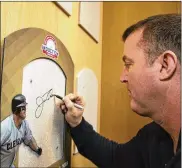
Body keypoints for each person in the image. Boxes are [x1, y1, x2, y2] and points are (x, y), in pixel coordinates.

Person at [59, 13, 181, 168]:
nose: (122, 77)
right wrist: (77, 123)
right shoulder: (156, 135)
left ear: (165, 66)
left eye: (129, 64)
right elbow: (115, 158)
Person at [1, 94, 42, 168]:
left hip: (9, 165)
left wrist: (37, 149)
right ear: (16, 109)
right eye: (22, 108)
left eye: (25, 107)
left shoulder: (24, 124)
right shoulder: (5, 127)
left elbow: (29, 140)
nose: (25, 109)